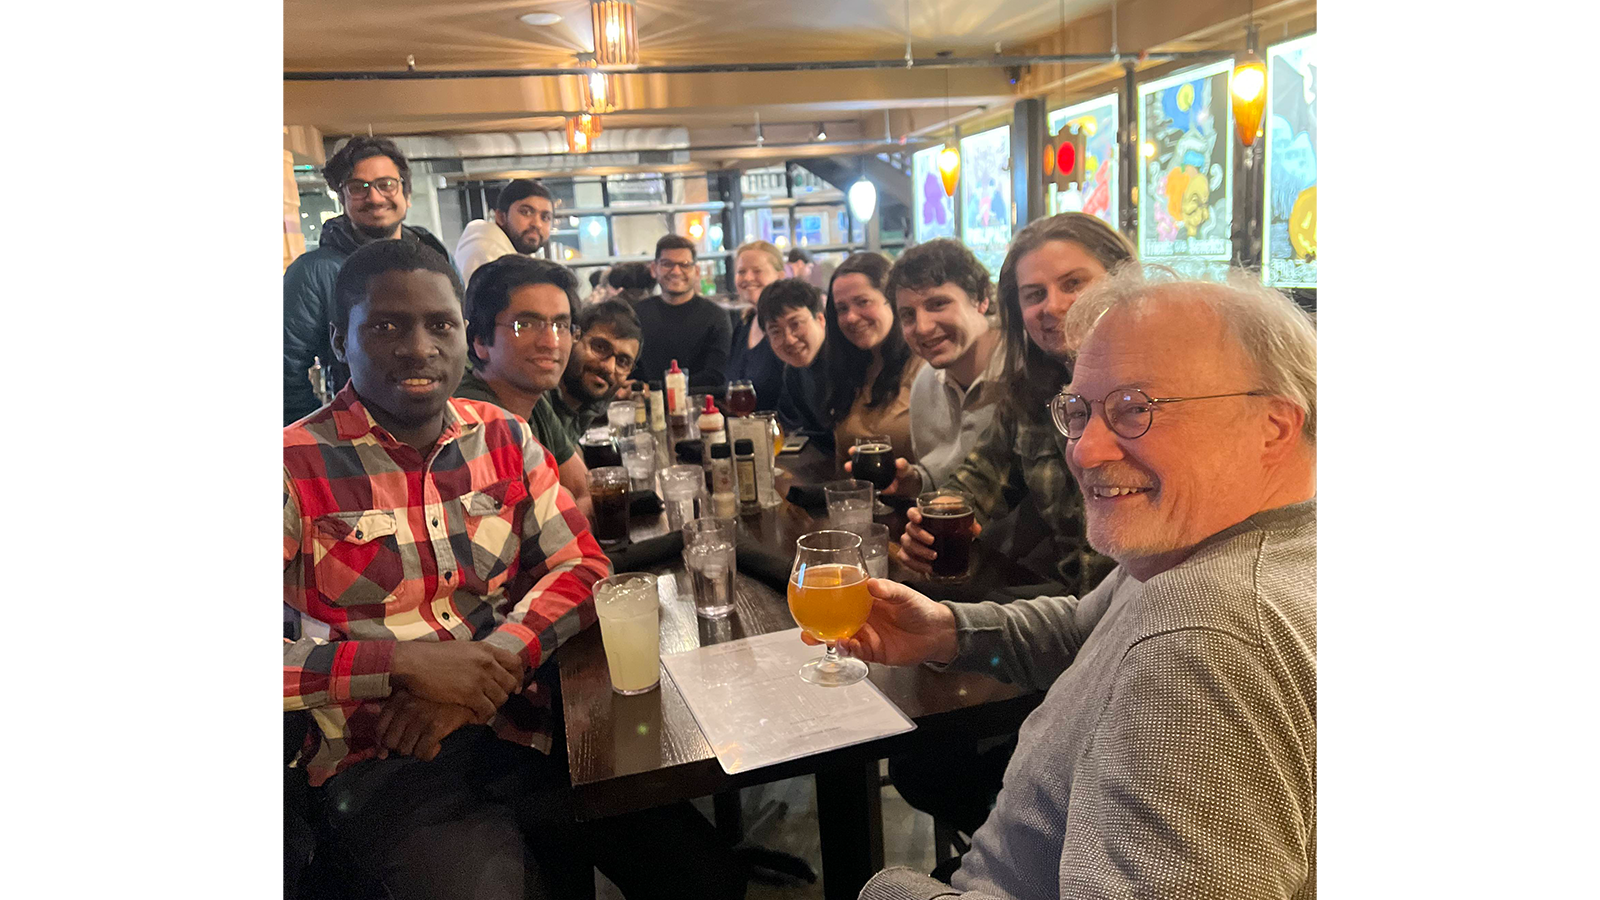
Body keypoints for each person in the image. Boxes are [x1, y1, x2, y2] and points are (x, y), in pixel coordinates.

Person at [284, 239, 743, 900]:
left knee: (704, 876)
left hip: (523, 719)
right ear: (339, 339)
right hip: (381, 758)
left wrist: (484, 668)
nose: (418, 347)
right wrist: (405, 664)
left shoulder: (503, 435)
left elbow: (582, 565)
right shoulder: (291, 466)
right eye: (386, 327)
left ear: (463, 336)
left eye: (439, 325)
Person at [845, 266, 1318, 900]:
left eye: (1135, 409)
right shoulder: (1203, 545)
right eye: (1078, 411)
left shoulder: (1204, 638)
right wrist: (947, 632)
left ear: (1274, 425)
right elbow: (1082, 631)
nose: (1084, 451)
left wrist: (894, 891)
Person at [893, 213, 1133, 595]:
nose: (1052, 306)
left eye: (1073, 283)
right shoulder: (1030, 394)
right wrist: (927, 525)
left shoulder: (1168, 390)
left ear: (1124, 282)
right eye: (1034, 294)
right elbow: (978, 479)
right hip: (1071, 606)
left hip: (1154, 608)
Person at [283, 136, 450, 425]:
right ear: (342, 198)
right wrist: (321, 434)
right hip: (355, 434)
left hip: (440, 427)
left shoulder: (435, 257)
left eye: (386, 184)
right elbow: (283, 370)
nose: (374, 197)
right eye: (358, 187)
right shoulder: (314, 272)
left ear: (407, 194)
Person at [453, 255, 594, 519]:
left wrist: (569, 507)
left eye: (561, 325)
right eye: (525, 325)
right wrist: (569, 506)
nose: (551, 342)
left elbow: (585, 489)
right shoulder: (473, 418)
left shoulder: (532, 397)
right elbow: (546, 527)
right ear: (480, 341)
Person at [890, 239, 1006, 490]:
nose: (922, 327)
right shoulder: (924, 383)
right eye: (908, 315)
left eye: (938, 304)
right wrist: (915, 481)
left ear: (981, 299)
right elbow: (943, 475)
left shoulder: (1024, 371)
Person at [822, 252, 923, 465]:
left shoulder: (924, 367)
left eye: (863, 302)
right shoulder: (850, 371)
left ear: (893, 301)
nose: (851, 317)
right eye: (842, 309)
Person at [629, 235, 731, 390]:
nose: (676, 271)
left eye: (685, 265)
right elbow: (629, 368)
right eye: (667, 264)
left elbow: (716, 377)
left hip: (700, 402)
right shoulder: (636, 315)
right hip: (644, 403)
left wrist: (657, 390)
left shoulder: (716, 317)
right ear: (654, 269)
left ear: (696, 271)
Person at [555, 299, 644, 444]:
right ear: (574, 337)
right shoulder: (538, 402)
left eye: (622, 361)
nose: (609, 367)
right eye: (600, 347)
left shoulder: (589, 407)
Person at [760, 278, 833, 456]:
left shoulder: (847, 361)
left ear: (820, 319)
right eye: (776, 331)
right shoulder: (792, 373)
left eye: (796, 324)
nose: (789, 339)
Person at [453, 178, 555, 285]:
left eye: (545, 217)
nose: (537, 224)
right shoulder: (488, 254)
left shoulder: (514, 256)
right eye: (526, 212)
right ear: (501, 217)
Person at [725, 240, 788, 414]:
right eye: (741, 272)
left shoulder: (787, 327)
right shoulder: (743, 326)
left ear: (780, 276)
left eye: (757, 271)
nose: (747, 278)